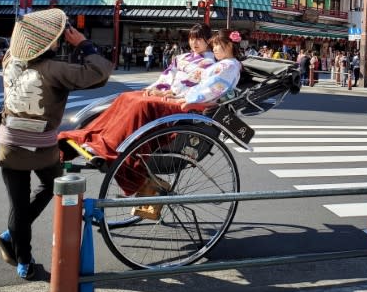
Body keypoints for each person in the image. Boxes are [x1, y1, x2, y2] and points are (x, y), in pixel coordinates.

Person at [0, 9, 113, 280]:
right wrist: (83, 43)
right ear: (47, 43)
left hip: (9, 144)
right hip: (41, 148)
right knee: (51, 184)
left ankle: (23, 259)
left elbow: (19, 44)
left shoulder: (9, 60)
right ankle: (11, 238)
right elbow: (100, 72)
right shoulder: (55, 70)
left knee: (18, 205)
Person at [59, 28, 242, 196]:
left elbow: (207, 89)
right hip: (179, 96)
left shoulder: (222, 65)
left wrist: (181, 96)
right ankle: (97, 138)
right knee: (127, 97)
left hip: (191, 103)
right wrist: (161, 89)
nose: (215, 48)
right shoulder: (203, 61)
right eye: (214, 44)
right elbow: (171, 77)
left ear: (229, 46)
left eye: (216, 44)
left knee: (141, 105)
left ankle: (109, 145)